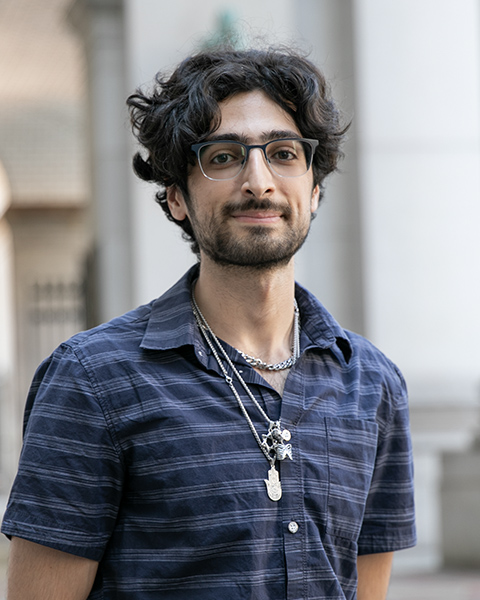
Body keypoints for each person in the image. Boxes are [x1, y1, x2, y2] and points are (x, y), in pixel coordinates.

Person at [1, 46, 416, 599]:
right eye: (223, 157)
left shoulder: (374, 385)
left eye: (284, 153)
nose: (258, 180)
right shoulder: (91, 379)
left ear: (314, 190)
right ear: (177, 197)